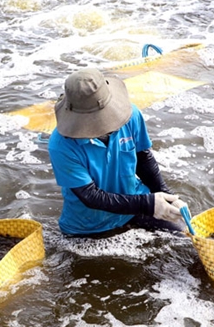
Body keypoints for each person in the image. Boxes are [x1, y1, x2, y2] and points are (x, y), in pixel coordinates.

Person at [47, 68, 185, 236]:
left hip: (135, 203)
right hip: (88, 224)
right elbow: (90, 196)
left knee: (184, 238)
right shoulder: (61, 145)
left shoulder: (131, 115)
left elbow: (143, 158)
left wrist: (168, 197)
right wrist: (148, 204)